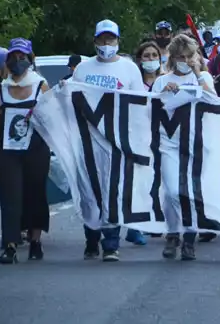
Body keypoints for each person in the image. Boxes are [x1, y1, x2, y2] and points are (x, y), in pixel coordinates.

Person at [70, 20, 148, 261]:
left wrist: (137, 139)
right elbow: (72, 102)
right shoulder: (83, 69)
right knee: (90, 192)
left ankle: (111, 244)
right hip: (90, 142)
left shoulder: (129, 69)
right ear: (95, 42)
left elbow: (139, 105)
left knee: (114, 192)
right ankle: (91, 239)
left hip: (118, 141)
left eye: (111, 39)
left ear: (117, 41)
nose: (107, 44)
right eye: (102, 40)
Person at [0, 38, 51, 264]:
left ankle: (35, 240)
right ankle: (10, 245)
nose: (18, 61)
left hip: (35, 149)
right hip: (7, 151)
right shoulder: (1, 90)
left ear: (30, 59)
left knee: (35, 194)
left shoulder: (41, 86)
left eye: (22, 57)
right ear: (7, 61)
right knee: (10, 197)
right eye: (14, 57)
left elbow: (51, 119)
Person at [152, 35, 215, 261]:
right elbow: (151, 110)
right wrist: (163, 93)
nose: (186, 61)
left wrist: (197, 73)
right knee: (170, 191)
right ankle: (172, 231)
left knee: (191, 192)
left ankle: (189, 237)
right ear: (173, 58)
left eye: (190, 56)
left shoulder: (203, 77)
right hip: (169, 143)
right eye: (181, 57)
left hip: (197, 143)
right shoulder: (161, 80)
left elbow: (214, 101)